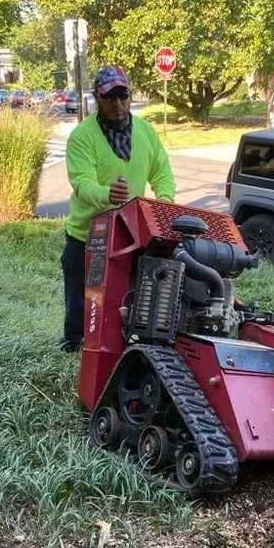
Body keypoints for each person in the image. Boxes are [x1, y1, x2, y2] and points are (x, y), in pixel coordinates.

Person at [59, 66, 176, 352]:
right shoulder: (82, 136)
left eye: (123, 95)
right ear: (97, 99)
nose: (117, 102)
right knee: (81, 296)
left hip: (130, 233)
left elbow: (162, 173)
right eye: (109, 96)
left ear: (130, 95)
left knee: (128, 292)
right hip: (86, 234)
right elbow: (81, 183)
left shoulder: (147, 133)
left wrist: (164, 202)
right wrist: (107, 194)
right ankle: (74, 342)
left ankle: (123, 343)